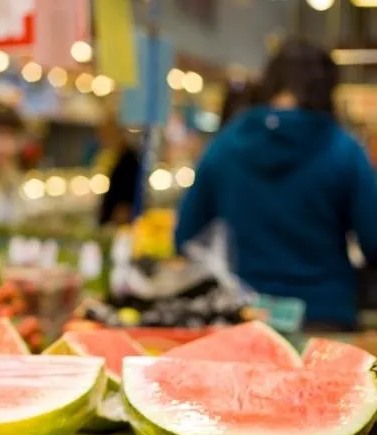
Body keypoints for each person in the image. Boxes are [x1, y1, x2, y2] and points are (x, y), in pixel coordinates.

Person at [174, 39, 377, 329]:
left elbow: (185, 237)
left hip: (244, 315)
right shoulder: (344, 150)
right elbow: (374, 240)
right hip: (326, 314)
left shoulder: (225, 146)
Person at [96, 117, 141, 227]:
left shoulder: (129, 160)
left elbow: (125, 204)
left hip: (119, 223)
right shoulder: (118, 157)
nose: (102, 139)